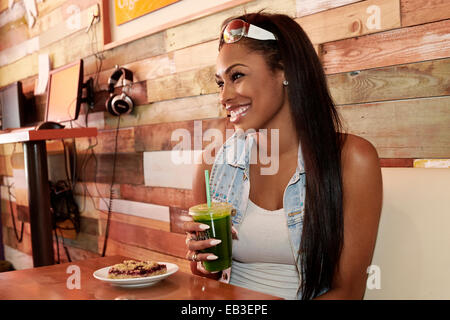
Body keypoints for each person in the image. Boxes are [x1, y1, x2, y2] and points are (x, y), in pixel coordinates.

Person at [182, 12, 382, 300]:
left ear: (285, 70)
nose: (223, 96)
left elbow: (348, 292)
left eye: (236, 76)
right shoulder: (213, 162)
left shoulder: (352, 159)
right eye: (220, 83)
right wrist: (201, 257)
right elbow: (208, 278)